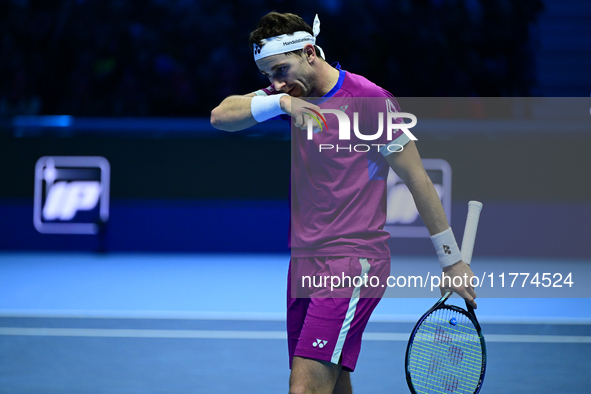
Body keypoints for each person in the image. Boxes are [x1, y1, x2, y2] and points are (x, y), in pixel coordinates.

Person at [211, 12, 477, 394]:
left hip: (354, 260)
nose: (276, 82)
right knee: (333, 384)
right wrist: (281, 103)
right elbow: (220, 116)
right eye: (268, 76)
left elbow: (417, 179)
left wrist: (451, 260)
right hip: (304, 260)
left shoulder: (369, 101)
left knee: (304, 388)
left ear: (309, 52)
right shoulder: (288, 94)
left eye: (281, 70)